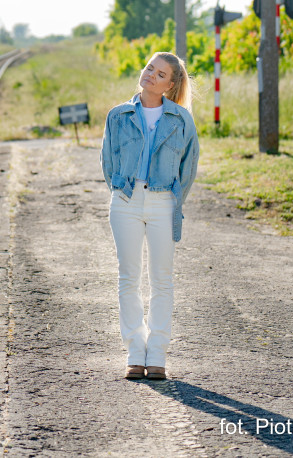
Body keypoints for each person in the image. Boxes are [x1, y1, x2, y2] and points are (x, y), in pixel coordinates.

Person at [100, 51, 200, 380]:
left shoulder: (181, 121)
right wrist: (121, 190)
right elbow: (108, 163)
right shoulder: (118, 115)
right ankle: (134, 351)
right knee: (128, 277)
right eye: (149, 68)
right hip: (126, 200)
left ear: (171, 85)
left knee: (162, 280)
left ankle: (157, 354)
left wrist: (170, 201)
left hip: (163, 202)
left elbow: (188, 170)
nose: (150, 76)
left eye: (160, 74)